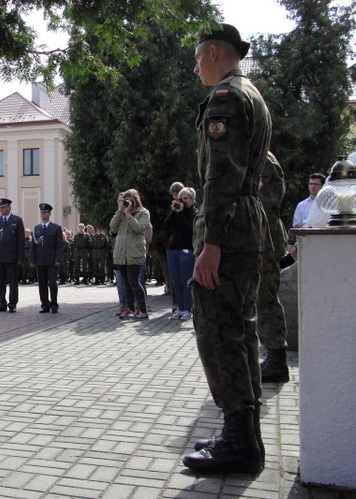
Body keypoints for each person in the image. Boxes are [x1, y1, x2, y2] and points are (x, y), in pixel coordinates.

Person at [182, 23, 272, 475]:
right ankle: (244, 435)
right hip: (247, 224)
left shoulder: (226, 98)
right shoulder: (252, 94)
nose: (196, 66)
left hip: (228, 230)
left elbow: (222, 174)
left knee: (219, 335)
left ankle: (239, 442)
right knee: (241, 333)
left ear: (215, 52)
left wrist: (211, 243)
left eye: (198, 57)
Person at [257, 152, 289, 383]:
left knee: (265, 297)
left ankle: (277, 359)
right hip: (257, 236)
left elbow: (270, 199)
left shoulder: (262, 157)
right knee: (259, 298)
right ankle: (271, 355)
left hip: (263, 237)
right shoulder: (253, 153)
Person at [110, 189, 151, 320]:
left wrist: (128, 214)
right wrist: (120, 210)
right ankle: (130, 309)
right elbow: (113, 227)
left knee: (134, 281)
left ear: (135, 201)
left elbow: (139, 228)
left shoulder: (143, 212)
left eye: (129, 200)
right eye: (124, 200)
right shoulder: (121, 213)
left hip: (134, 252)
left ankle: (143, 310)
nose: (126, 203)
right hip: (122, 252)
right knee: (126, 282)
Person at [164, 187, 198, 321]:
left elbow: (190, 230)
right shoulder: (176, 212)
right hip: (173, 249)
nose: (182, 202)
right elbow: (166, 226)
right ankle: (180, 307)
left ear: (192, 200)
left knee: (185, 281)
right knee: (176, 282)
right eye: (180, 199)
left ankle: (187, 308)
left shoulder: (194, 213)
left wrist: (181, 213)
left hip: (187, 250)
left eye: (186, 199)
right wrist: (173, 212)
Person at [0, 198, 25, 313]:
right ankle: (2, 303)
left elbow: (21, 241)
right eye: (0, 207)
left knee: (13, 282)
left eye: (3, 207)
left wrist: (20, 257)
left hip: (12, 257)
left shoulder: (17, 220)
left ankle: (12, 304)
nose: (1, 209)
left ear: (9, 207)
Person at [29, 203, 63, 313]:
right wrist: (32, 260)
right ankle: (45, 305)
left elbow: (59, 245)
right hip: (40, 260)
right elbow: (33, 246)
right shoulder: (36, 229)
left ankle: (54, 304)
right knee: (42, 284)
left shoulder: (56, 228)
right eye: (41, 212)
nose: (42, 214)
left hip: (52, 261)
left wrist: (58, 259)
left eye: (45, 212)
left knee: (52, 283)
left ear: (49, 213)